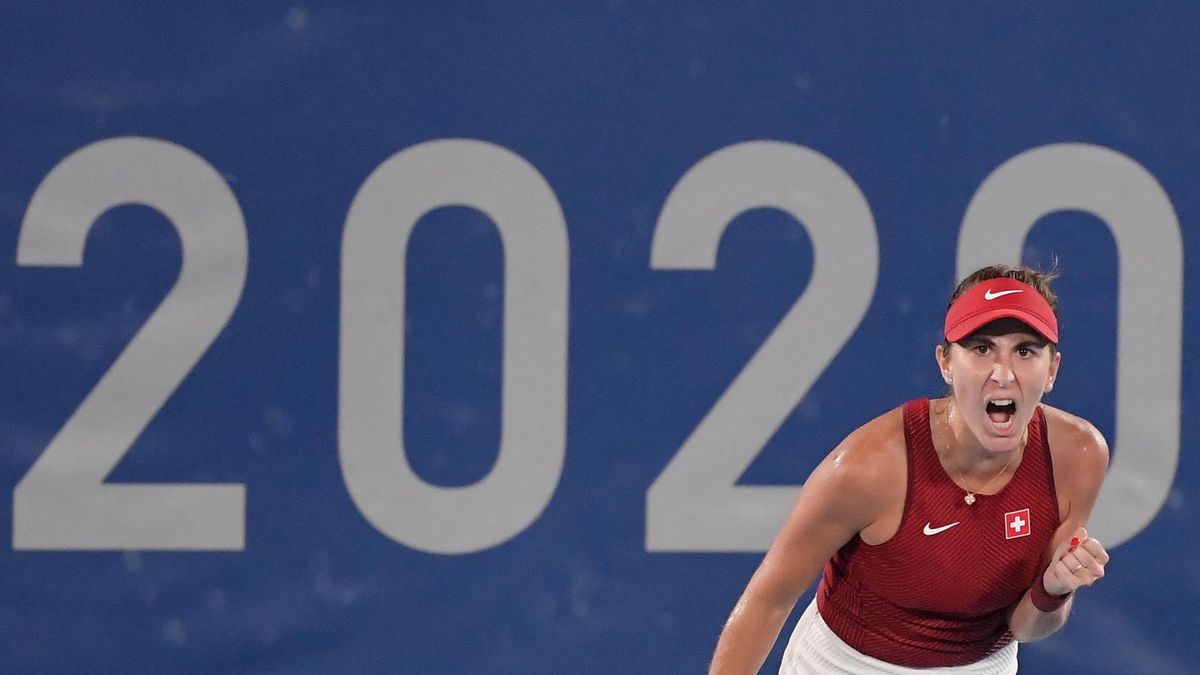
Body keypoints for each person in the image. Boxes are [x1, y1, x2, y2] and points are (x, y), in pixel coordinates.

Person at [708, 264, 1111, 674]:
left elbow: (1027, 626)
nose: (1003, 373)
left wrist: (1053, 590)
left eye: (1024, 350)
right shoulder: (869, 468)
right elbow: (768, 600)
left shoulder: (1078, 456)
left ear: (1053, 370)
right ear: (946, 363)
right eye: (981, 348)